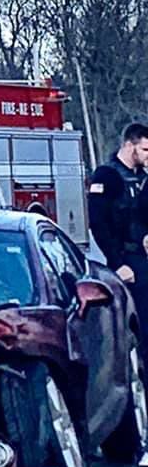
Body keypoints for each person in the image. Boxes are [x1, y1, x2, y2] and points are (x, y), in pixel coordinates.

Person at [88, 123, 148, 344]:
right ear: (129, 145)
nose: (147, 156)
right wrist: (118, 262)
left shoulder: (143, 177)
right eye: (145, 150)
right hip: (126, 259)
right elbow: (99, 223)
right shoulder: (107, 176)